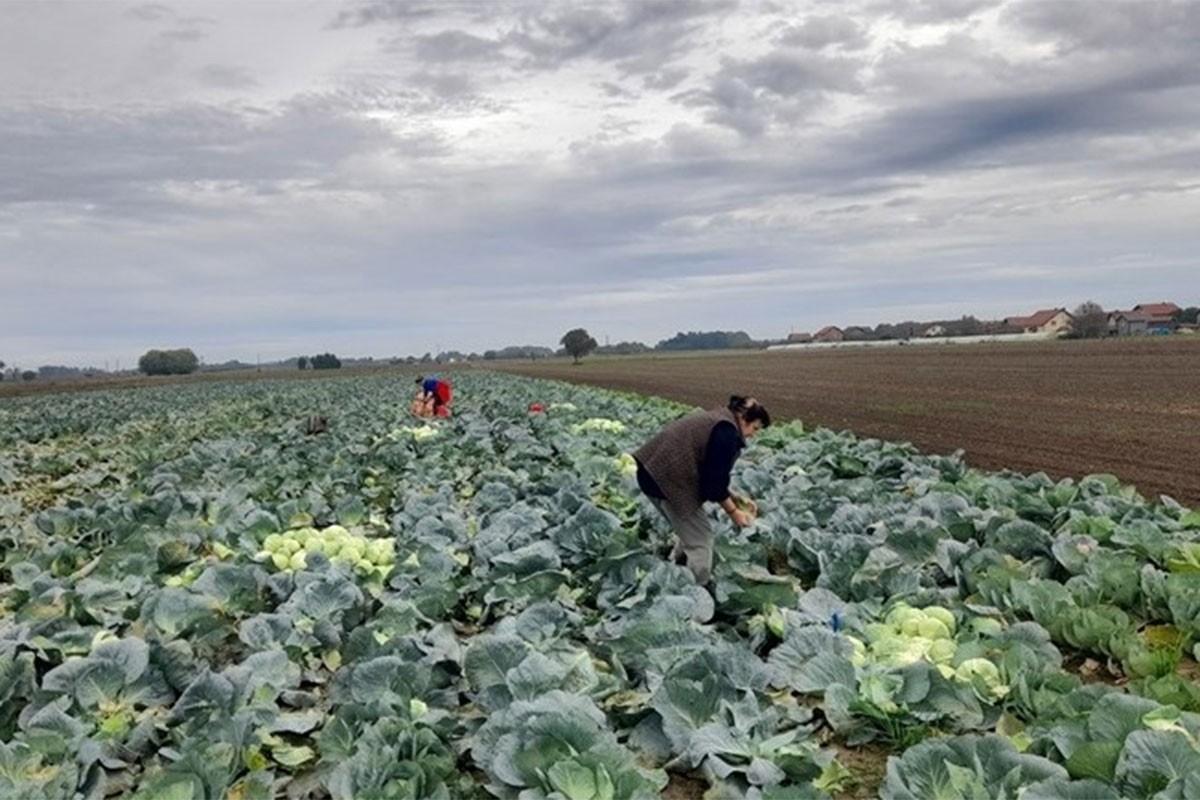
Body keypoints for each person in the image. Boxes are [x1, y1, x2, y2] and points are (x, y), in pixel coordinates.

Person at [633, 395, 770, 587]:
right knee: (702, 540)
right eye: (754, 428)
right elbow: (713, 485)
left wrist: (735, 498)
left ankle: (680, 565)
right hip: (667, 482)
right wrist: (734, 512)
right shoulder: (727, 434)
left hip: (652, 472)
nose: (752, 434)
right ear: (742, 417)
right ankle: (695, 592)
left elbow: (712, 475)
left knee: (690, 529)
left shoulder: (719, 419)